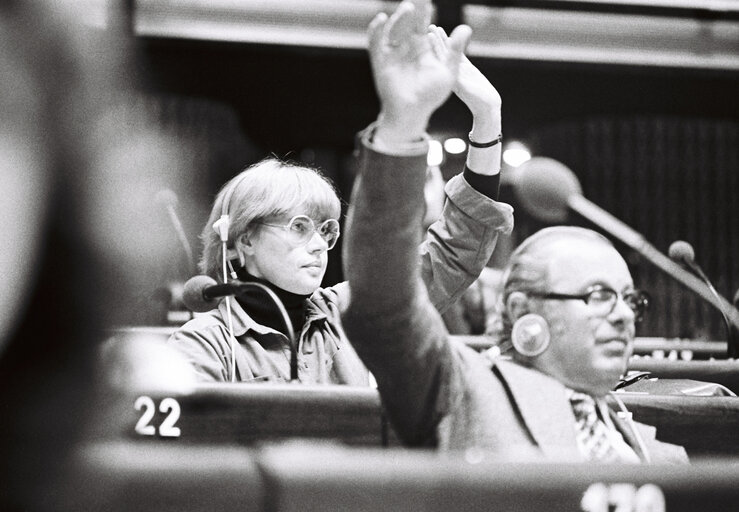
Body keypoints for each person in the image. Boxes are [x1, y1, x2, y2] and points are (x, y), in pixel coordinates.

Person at [342, 0, 688, 463]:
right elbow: (385, 302)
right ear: (526, 311)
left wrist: (489, 112)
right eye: (599, 296)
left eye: (630, 300)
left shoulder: (665, 455)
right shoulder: (465, 391)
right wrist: (402, 126)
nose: (624, 316)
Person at [167, 6, 512, 384]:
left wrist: (487, 117)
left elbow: (455, 248)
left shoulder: (353, 314)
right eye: (299, 227)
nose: (318, 246)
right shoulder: (203, 344)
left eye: (326, 230)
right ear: (242, 239)